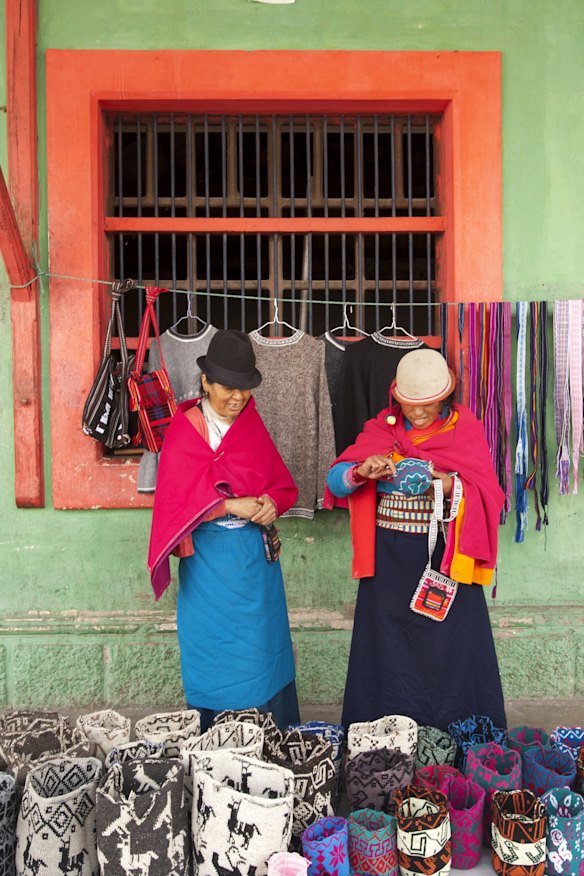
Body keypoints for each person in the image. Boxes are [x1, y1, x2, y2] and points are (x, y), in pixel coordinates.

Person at [324, 348, 506, 731]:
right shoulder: (381, 430)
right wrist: (362, 471)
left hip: (445, 560)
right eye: (409, 405)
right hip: (388, 563)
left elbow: (489, 494)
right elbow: (334, 482)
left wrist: (443, 483)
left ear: (445, 395)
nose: (418, 413)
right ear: (396, 397)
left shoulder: (464, 430)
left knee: (451, 651)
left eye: (427, 405)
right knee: (386, 651)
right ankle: (382, 739)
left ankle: (455, 738)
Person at [148, 330, 300, 731]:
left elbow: (282, 485)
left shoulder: (251, 425)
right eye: (228, 388)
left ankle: (270, 734)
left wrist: (270, 503)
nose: (237, 398)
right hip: (208, 562)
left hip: (253, 561)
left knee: (262, 645)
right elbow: (173, 502)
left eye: (245, 389)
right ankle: (217, 736)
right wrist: (230, 505)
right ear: (205, 382)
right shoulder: (184, 431)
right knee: (213, 647)